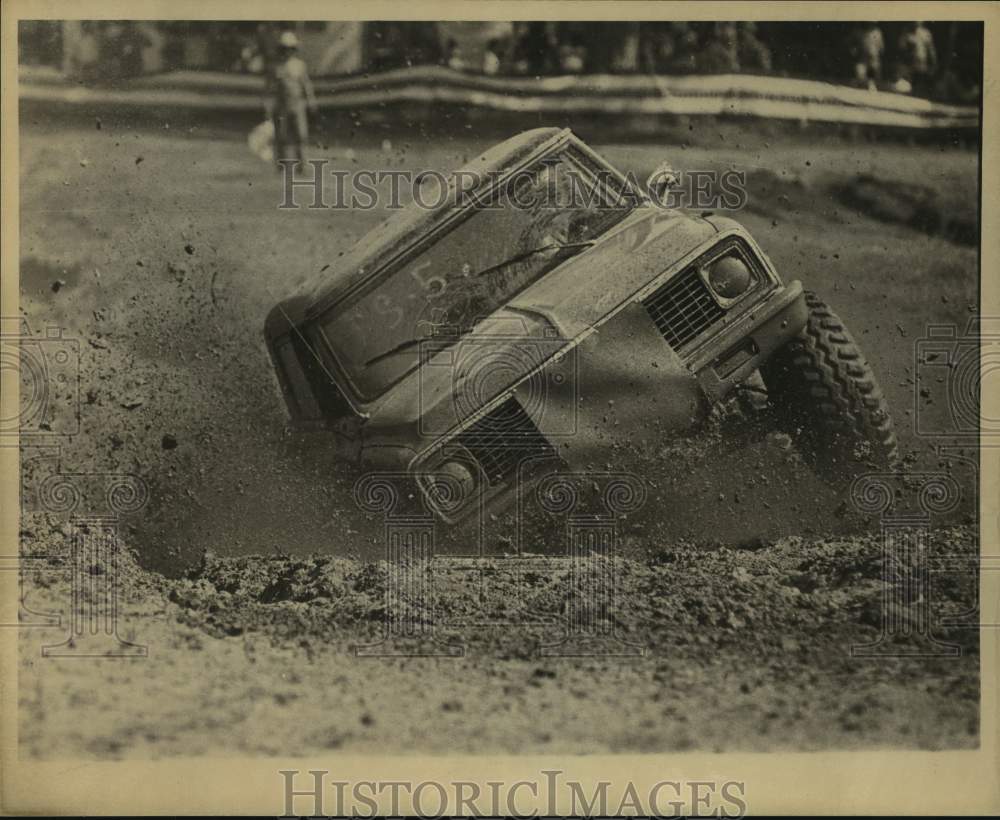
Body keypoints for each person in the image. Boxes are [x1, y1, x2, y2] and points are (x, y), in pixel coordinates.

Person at [265, 31, 316, 169]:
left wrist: (311, 100)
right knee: (281, 135)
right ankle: (281, 164)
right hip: (282, 104)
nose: (288, 52)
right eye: (285, 49)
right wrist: (269, 105)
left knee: (301, 134)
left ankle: (302, 165)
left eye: (290, 49)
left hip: (297, 103)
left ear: (294, 50)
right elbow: (271, 88)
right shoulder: (276, 66)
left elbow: (306, 84)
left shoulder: (300, 65)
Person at [898, 21, 938, 97]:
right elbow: (902, 46)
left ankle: (918, 93)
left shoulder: (926, 33)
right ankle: (913, 92)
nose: (917, 22)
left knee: (921, 77)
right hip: (911, 61)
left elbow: (930, 48)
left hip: (922, 59)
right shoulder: (907, 32)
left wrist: (933, 60)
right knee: (911, 78)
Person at [850, 22, 884, 90]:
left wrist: (878, 51)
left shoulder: (877, 32)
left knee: (874, 69)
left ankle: (871, 84)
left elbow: (881, 46)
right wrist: (854, 50)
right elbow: (853, 43)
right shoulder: (859, 31)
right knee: (860, 73)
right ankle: (861, 82)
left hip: (873, 55)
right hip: (862, 55)